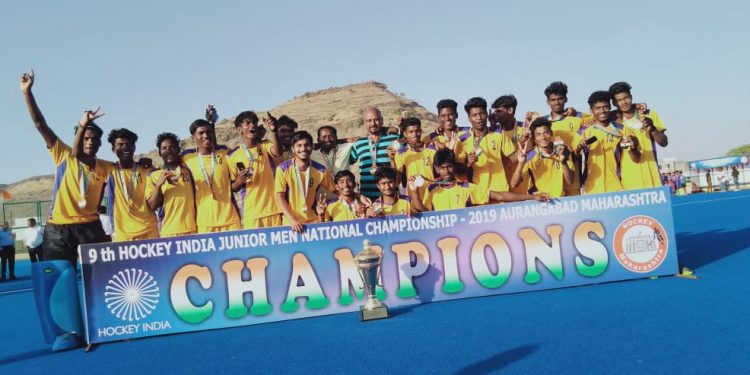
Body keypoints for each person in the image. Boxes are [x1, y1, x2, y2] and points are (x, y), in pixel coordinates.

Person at [21, 70, 111, 350]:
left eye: (95, 140)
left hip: (90, 228)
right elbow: (39, 123)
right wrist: (27, 92)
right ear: (79, 138)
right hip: (58, 230)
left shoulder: (106, 167)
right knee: (61, 281)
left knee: (98, 281)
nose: (91, 142)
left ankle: (103, 326)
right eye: (86, 137)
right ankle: (68, 333)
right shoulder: (62, 154)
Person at [409, 149, 551, 212]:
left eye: (449, 167)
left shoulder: (466, 187)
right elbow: (424, 214)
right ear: (436, 168)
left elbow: (500, 195)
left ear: (454, 166)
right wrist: (414, 192)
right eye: (442, 168)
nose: (446, 171)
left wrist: (533, 197)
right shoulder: (432, 189)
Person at [182, 119, 242, 233]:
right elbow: (169, 162)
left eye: (208, 132)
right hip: (205, 223)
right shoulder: (187, 157)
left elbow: (235, 185)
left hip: (230, 220)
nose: (206, 135)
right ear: (193, 137)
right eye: (201, 133)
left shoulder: (224, 152)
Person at [228, 111, 283, 229]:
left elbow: (278, 152)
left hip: (274, 208)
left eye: (254, 122)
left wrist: (273, 131)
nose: (252, 125)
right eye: (247, 123)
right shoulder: (233, 156)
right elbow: (233, 187)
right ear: (239, 129)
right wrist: (239, 181)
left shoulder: (265, 145)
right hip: (252, 213)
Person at [577, 91, 640, 194]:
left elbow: (636, 159)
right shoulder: (583, 131)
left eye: (605, 107)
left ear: (610, 106)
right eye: (598, 108)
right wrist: (579, 147)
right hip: (591, 188)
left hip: (618, 186)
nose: (602, 111)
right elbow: (574, 156)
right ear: (591, 110)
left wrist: (633, 148)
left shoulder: (622, 129)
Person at [609, 82, 668, 190]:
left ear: (631, 97)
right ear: (614, 103)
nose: (624, 102)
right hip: (628, 181)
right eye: (619, 100)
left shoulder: (649, 114)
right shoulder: (612, 121)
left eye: (626, 98)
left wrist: (653, 128)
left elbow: (664, 143)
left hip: (652, 177)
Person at [275, 131, 336, 232]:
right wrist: (291, 219)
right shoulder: (282, 169)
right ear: (292, 148)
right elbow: (279, 196)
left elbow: (336, 192)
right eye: (299, 145)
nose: (303, 149)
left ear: (312, 147)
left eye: (307, 145)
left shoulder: (321, 170)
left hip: (314, 221)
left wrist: (358, 197)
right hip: (292, 222)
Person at [105, 128, 159, 241]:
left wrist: (152, 168)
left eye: (129, 144)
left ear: (134, 147)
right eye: (120, 144)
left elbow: (154, 200)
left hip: (149, 230)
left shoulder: (146, 170)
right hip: (123, 235)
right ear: (113, 149)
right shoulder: (110, 171)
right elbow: (110, 202)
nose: (125, 147)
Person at [459, 97, 517, 195]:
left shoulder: (499, 133)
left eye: (482, 113)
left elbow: (513, 158)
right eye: (474, 115)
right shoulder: (462, 140)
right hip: (477, 195)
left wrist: (527, 147)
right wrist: (469, 164)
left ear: (487, 114)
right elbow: (459, 172)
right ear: (469, 118)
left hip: (501, 192)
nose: (479, 118)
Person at [145, 133, 198, 237]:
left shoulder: (188, 170)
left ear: (178, 150)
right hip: (169, 232)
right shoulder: (154, 175)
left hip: (193, 230)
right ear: (160, 153)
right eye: (164, 148)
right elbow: (152, 206)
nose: (168, 150)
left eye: (172, 147)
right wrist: (158, 185)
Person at [510, 118, 575, 198]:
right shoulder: (530, 155)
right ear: (534, 138)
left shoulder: (563, 150)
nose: (543, 137)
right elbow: (514, 184)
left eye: (546, 133)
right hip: (539, 202)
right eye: (538, 135)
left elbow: (570, 181)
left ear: (551, 133)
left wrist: (564, 162)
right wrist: (521, 163)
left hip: (560, 201)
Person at [349, 107, 400, 200]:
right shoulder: (358, 143)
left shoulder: (394, 139)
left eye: (376, 120)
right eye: (369, 120)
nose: (373, 123)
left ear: (382, 121)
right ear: (365, 123)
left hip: (391, 196)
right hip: (367, 197)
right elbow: (346, 162)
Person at [543, 82, 584, 196]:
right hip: (551, 178)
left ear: (566, 99)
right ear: (548, 102)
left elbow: (598, 115)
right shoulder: (543, 123)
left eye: (560, 99)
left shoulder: (576, 120)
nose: (557, 102)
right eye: (553, 99)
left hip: (572, 177)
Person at [390, 117, 437, 198]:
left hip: (432, 195)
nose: (414, 134)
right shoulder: (401, 153)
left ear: (421, 131)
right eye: (411, 132)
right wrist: (391, 159)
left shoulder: (432, 150)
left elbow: (440, 175)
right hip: (411, 197)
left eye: (417, 131)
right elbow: (397, 180)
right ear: (405, 133)